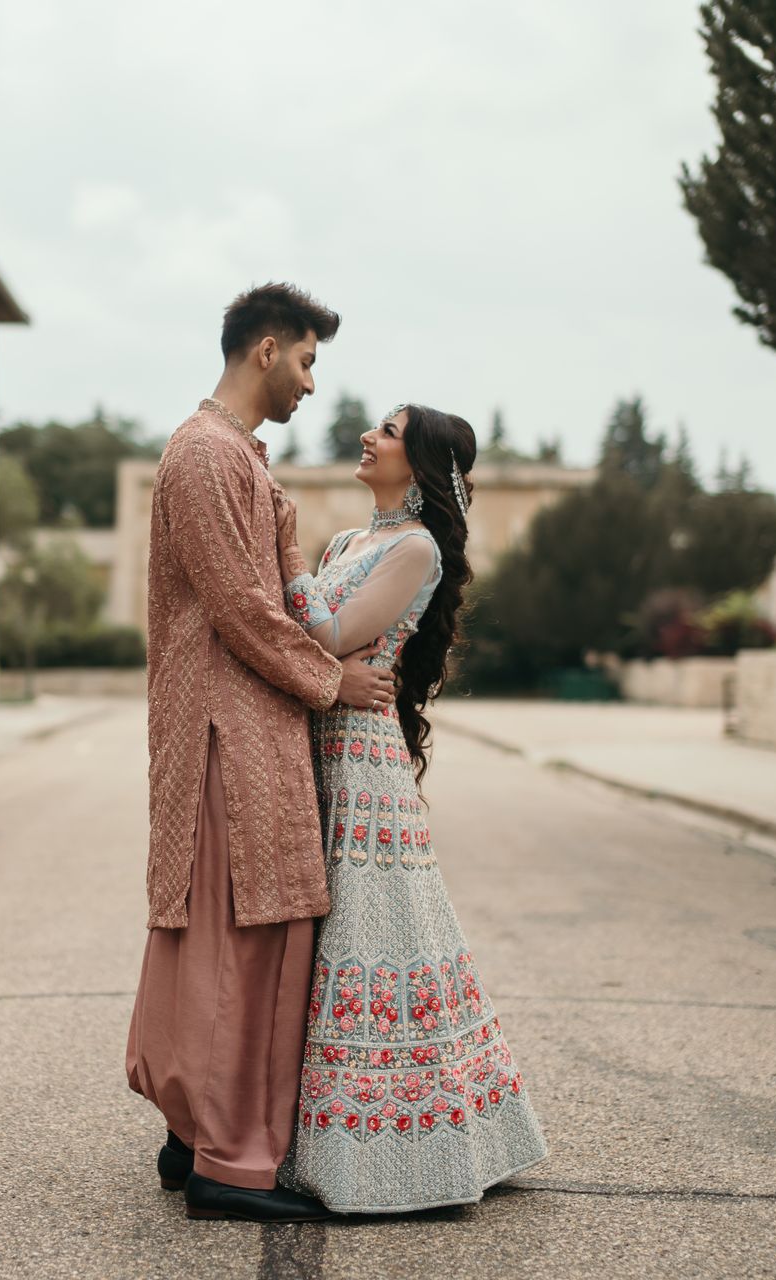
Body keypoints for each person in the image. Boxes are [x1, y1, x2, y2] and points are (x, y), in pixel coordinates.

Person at [125, 283, 398, 1223]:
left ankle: (189, 1132)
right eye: (309, 362)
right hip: (220, 731)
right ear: (265, 350)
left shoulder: (237, 456)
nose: (313, 386)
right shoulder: (203, 456)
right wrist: (335, 685)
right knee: (239, 934)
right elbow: (242, 610)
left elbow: (275, 592)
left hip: (253, 726)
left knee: (246, 926)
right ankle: (224, 1165)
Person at [273, 403, 548, 1212]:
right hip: (313, 751)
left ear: (423, 463)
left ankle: (403, 1151)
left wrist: (282, 551)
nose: (369, 436)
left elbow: (329, 635)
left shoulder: (416, 546)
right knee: (314, 954)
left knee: (375, 941)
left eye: (388, 432)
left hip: (363, 764)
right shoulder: (343, 544)